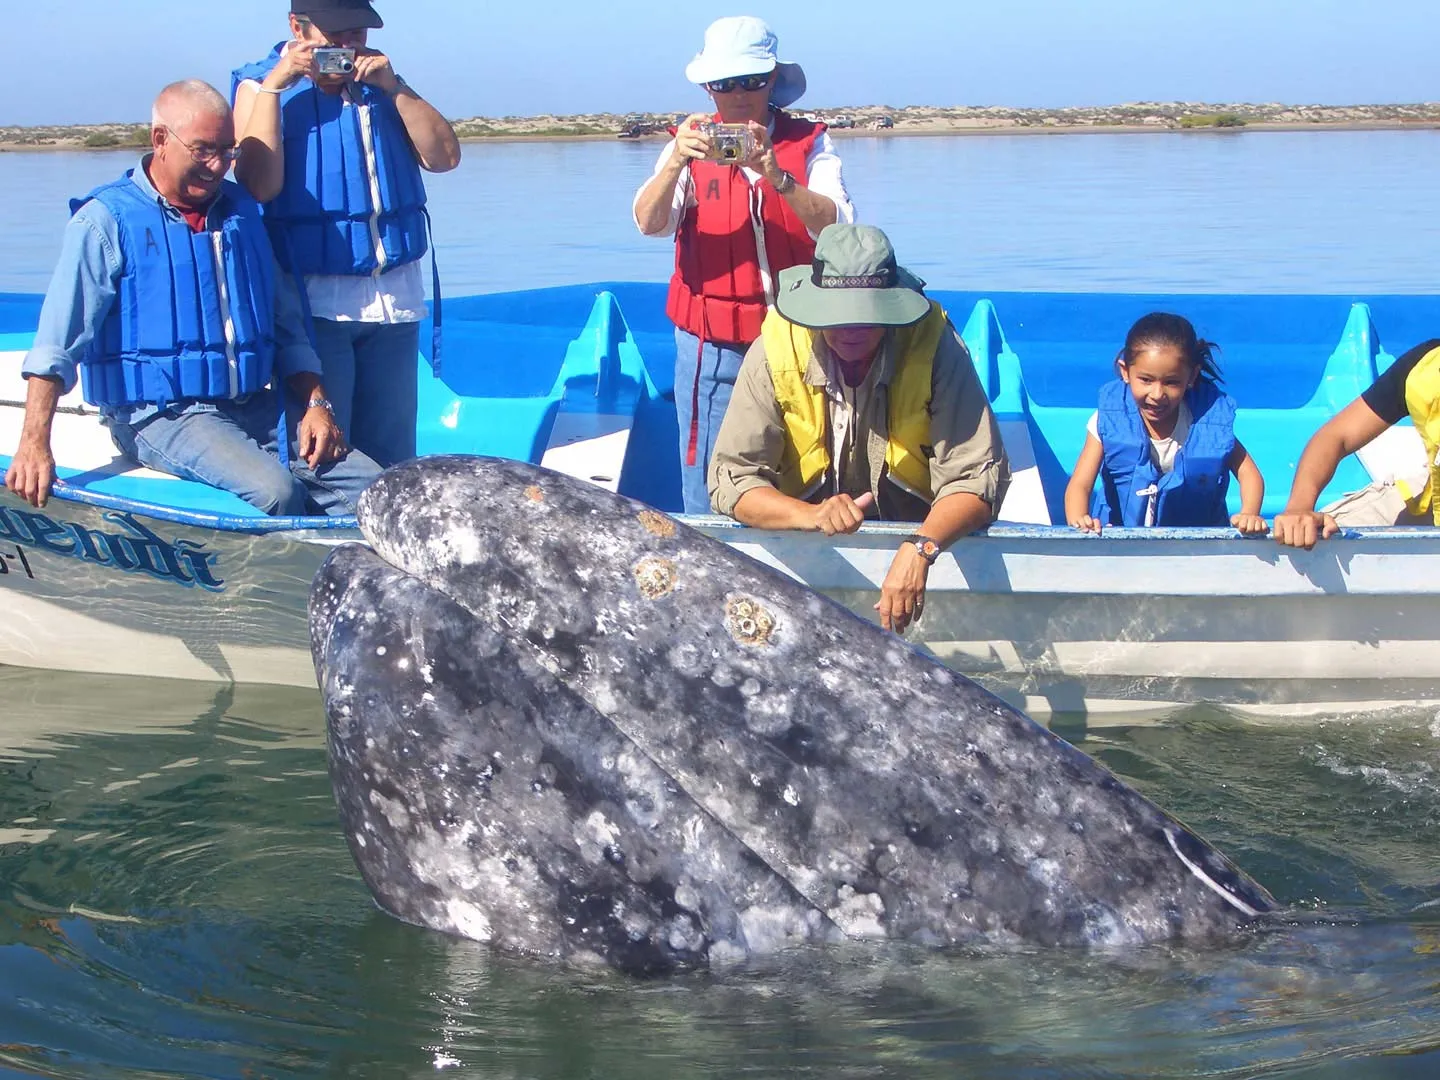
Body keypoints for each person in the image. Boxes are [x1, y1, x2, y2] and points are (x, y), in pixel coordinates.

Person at [3, 80, 379, 517]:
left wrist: (316, 403)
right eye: (203, 150)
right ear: (160, 139)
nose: (218, 165)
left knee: (374, 488)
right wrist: (33, 444)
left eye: (227, 150)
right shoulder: (104, 222)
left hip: (254, 404)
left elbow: (286, 324)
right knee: (276, 492)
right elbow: (57, 343)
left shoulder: (243, 214)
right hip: (160, 416)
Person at [708, 224, 1010, 634]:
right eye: (838, 317)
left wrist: (921, 548)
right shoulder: (774, 350)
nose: (852, 330)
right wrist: (812, 516)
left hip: (918, 530)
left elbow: (977, 480)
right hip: (802, 535)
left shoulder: (937, 346)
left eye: (867, 318)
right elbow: (732, 482)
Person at [633, 16, 856, 514]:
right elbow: (650, 223)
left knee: (807, 472)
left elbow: (840, 226)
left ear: (772, 80)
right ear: (708, 87)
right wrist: (674, 165)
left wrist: (778, 177)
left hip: (803, 340)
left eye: (751, 80)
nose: (738, 94)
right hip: (713, 344)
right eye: (723, 83)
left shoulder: (811, 144)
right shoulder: (687, 146)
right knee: (708, 480)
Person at [231, 0, 461, 467]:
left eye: (357, 34)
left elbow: (444, 157)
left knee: (393, 452)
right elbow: (259, 185)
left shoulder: (384, 86)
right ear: (297, 28)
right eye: (335, 36)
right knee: (331, 454)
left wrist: (395, 87)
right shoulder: (259, 86)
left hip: (393, 300)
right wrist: (276, 88)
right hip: (314, 300)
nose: (349, 47)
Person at [1064, 312, 1267, 535]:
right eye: (1146, 380)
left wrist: (1250, 513)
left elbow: (1249, 474)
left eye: (1171, 382)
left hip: (1198, 544)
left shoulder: (1206, 423)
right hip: (1119, 539)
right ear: (1125, 372)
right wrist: (1079, 521)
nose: (1157, 394)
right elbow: (1080, 485)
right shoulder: (1106, 420)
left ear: (1191, 377)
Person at [1272, 337, 1440, 549]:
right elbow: (1335, 436)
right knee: (1310, 537)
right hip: (1433, 488)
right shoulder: (1426, 367)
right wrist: (1299, 508)